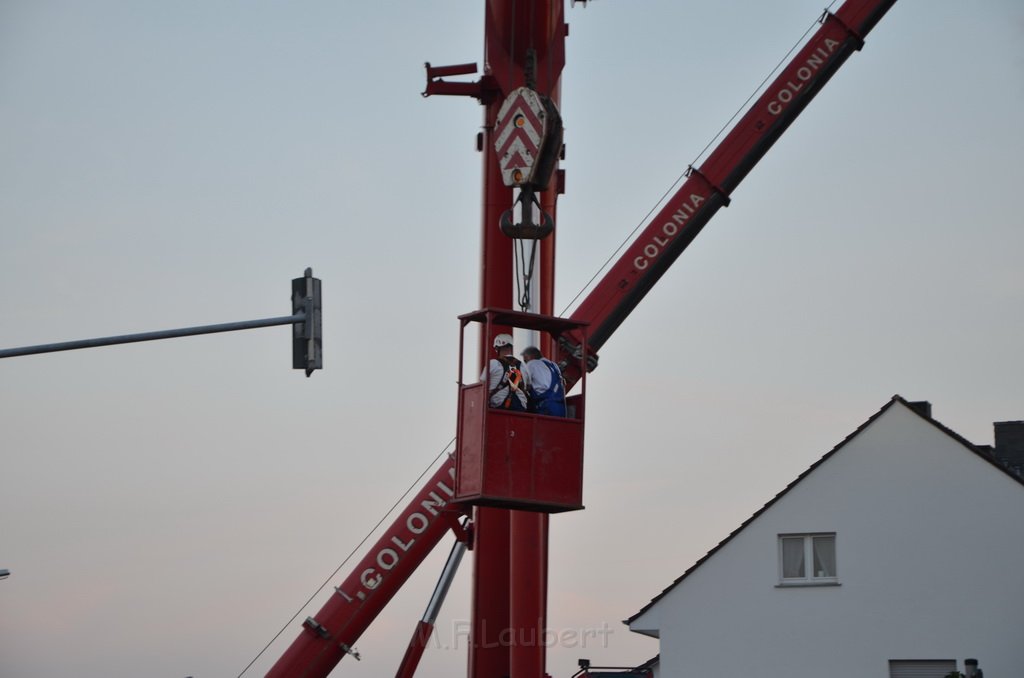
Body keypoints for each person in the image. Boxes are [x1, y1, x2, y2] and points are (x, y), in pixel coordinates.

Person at [483, 333, 527, 411]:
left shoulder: (493, 363)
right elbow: (528, 386)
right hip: (520, 407)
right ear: (511, 348)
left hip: (499, 407)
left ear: (497, 348)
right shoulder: (523, 366)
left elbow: (482, 385)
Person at [520, 346, 566, 416]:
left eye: (525, 360)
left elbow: (523, 383)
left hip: (546, 408)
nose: (525, 363)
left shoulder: (532, 364)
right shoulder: (554, 365)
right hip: (561, 408)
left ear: (532, 356)